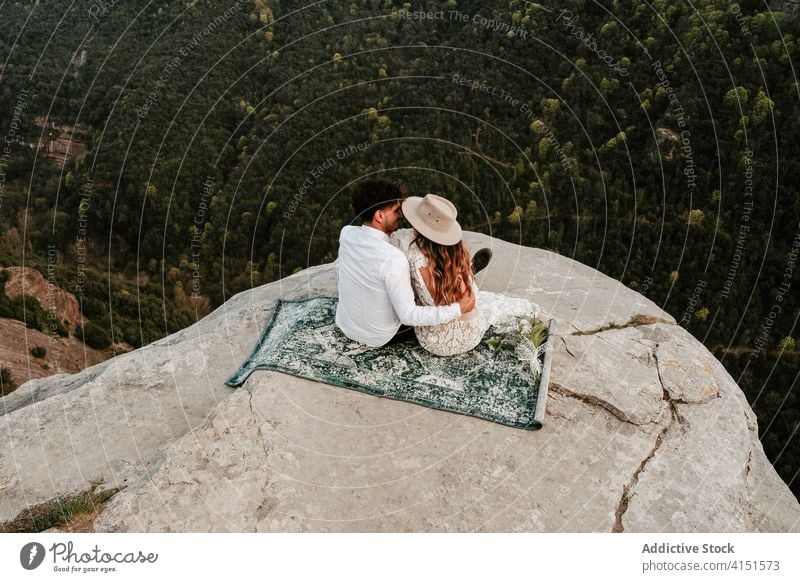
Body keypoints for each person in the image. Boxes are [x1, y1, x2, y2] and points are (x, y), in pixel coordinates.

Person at [335, 180, 476, 347]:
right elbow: (409, 316)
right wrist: (458, 309)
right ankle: (453, 272)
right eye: (395, 211)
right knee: (418, 286)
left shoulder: (347, 233)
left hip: (346, 324)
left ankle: (453, 272)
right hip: (380, 336)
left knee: (396, 278)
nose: (400, 215)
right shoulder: (394, 259)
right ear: (379, 216)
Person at [393, 194, 489, 356]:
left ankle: (466, 273)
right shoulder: (457, 249)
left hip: (435, 342)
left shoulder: (413, 255)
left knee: (412, 286)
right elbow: (470, 303)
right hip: (473, 334)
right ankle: (468, 272)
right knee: (461, 280)